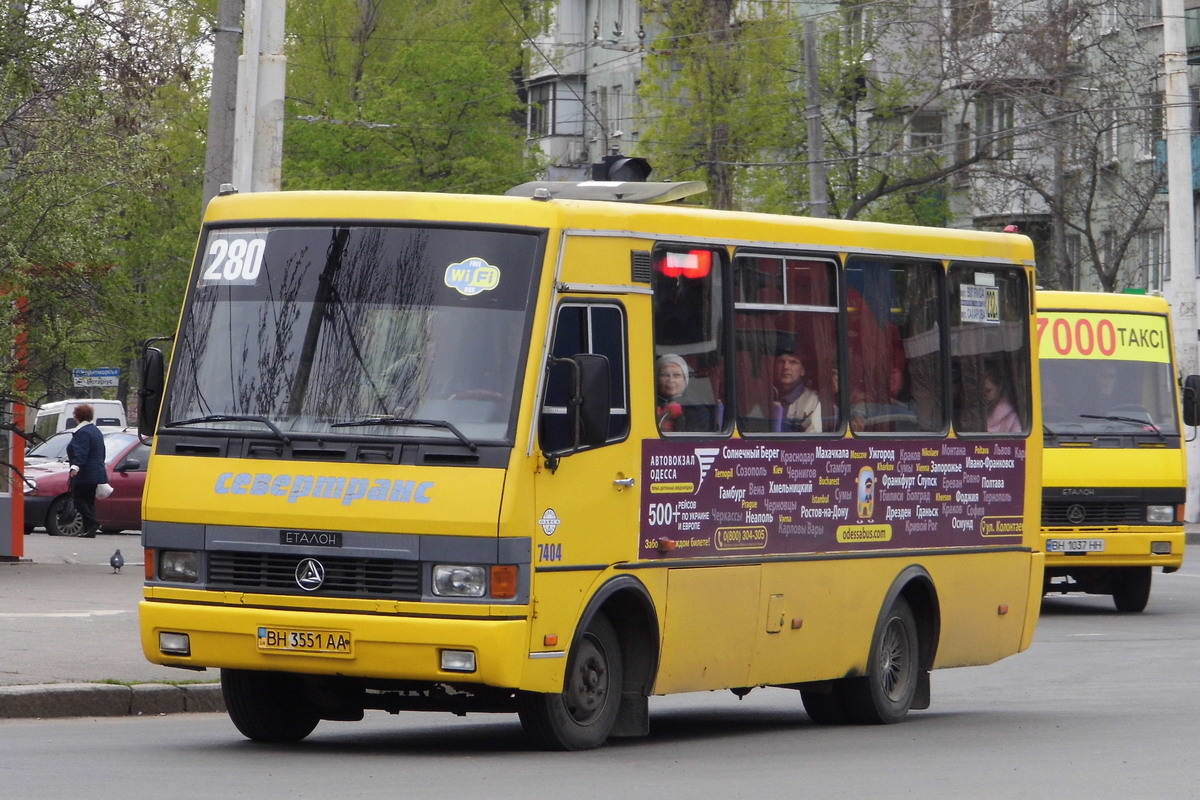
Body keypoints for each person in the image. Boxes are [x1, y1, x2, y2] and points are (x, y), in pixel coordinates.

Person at [66, 403, 108, 538]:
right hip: (95, 472)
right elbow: (101, 452)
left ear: (77, 416)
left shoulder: (82, 432)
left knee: (78, 498)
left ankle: (93, 523)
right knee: (88, 500)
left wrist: (75, 467)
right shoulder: (95, 431)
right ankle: (89, 530)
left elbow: (81, 452)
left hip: (84, 473)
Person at [773, 339, 822, 433]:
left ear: (802, 370)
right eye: (781, 361)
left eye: (793, 362)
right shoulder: (765, 396)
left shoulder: (812, 401)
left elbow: (812, 441)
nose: (786, 367)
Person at [655, 354, 690, 432]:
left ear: (685, 379)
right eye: (665, 375)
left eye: (676, 375)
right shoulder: (647, 406)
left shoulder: (695, 408)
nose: (671, 380)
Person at [982, 365, 1021, 433]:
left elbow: (1018, 440)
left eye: (988, 391)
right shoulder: (974, 411)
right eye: (980, 391)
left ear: (999, 388)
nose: (983, 395)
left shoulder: (1011, 415)